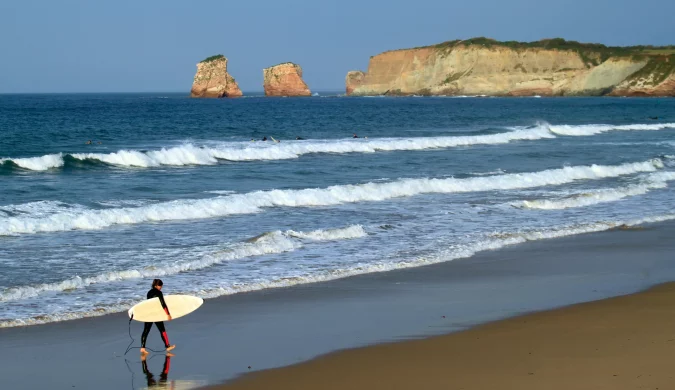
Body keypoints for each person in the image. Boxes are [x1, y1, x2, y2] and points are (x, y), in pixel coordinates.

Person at [140, 279, 175, 355]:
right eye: (160, 286)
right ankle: (167, 346)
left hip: (148, 313)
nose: (161, 287)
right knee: (162, 330)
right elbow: (163, 304)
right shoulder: (159, 293)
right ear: (156, 285)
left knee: (146, 331)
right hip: (156, 314)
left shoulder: (149, 292)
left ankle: (142, 348)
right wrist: (168, 314)